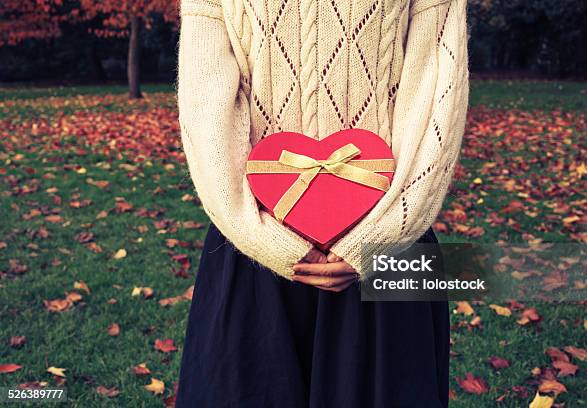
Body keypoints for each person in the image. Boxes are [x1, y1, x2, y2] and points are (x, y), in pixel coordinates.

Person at [175, 0, 469, 406]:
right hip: (255, 246)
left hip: (388, 243)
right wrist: (267, 241)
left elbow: (435, 91)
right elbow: (205, 106)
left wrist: (379, 241)